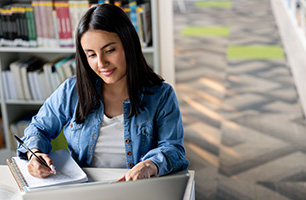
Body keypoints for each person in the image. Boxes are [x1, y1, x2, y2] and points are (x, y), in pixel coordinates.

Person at [17, 3, 189, 181]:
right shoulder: (72, 91)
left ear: (128, 45)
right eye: (91, 54)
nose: (101, 63)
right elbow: (38, 128)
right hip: (84, 189)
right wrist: (34, 154)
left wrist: (150, 165)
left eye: (109, 50)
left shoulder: (161, 95)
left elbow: (173, 149)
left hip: (137, 189)